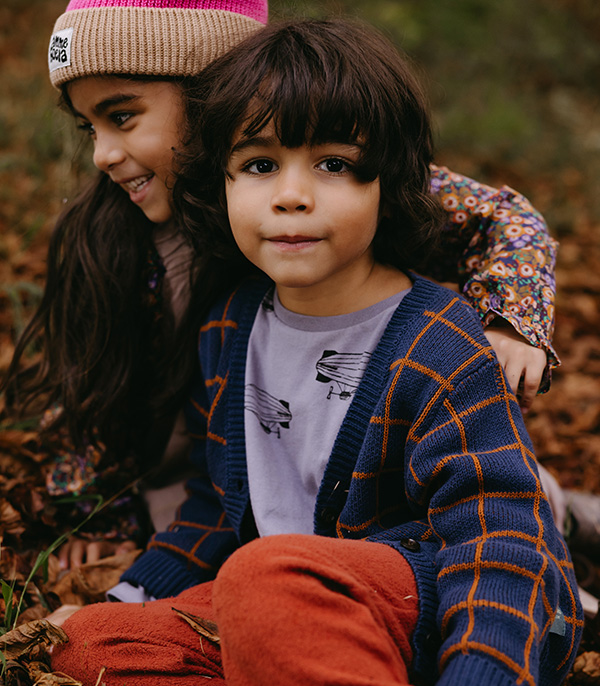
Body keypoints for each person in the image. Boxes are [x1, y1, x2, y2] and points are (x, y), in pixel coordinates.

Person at [50, 19, 584, 686]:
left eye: (334, 165)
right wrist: (133, 594)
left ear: (392, 182)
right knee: (95, 644)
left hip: (419, 607)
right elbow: (213, 500)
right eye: (259, 165)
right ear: (220, 182)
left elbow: (499, 542)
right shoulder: (230, 326)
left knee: (264, 579)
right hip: (282, 610)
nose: (293, 196)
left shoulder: (439, 344)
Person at [1, 0, 561, 576]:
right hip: (218, 489)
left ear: (210, 90)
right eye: (88, 127)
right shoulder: (107, 235)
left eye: (122, 117)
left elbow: (501, 220)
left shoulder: (337, 184)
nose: (103, 154)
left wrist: (508, 321)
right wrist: (95, 514)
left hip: (369, 480)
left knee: (497, 500)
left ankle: (557, 515)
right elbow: (93, 387)